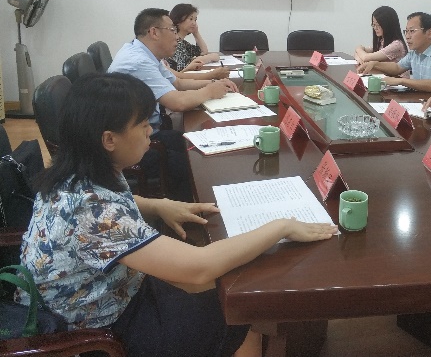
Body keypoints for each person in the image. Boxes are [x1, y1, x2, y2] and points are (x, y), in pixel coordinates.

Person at [17, 73, 337, 357]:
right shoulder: (92, 211)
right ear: (109, 139)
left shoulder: (79, 170)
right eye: (142, 125)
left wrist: (157, 205)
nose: (149, 132)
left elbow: (109, 208)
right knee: (239, 312)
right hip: (96, 330)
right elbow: (199, 267)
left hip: (109, 291)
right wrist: (281, 226)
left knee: (228, 290)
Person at [108, 8, 239, 201]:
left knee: (196, 142)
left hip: (146, 131)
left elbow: (177, 83)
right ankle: (189, 211)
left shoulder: (144, 52)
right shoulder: (138, 61)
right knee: (194, 161)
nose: (177, 37)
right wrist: (210, 91)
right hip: (133, 144)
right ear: (154, 32)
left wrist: (213, 83)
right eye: (172, 30)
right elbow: (177, 102)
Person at [357, 12, 431, 98]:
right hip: (425, 100)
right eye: (406, 31)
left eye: (412, 31)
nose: (407, 36)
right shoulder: (416, 51)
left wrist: (401, 81)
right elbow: (397, 67)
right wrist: (374, 64)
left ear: (429, 33)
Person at [167, 3, 219, 72]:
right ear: (178, 20)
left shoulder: (183, 43)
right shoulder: (173, 41)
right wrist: (209, 57)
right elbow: (183, 67)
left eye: (195, 20)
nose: (194, 23)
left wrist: (196, 33)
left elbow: (203, 52)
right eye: (191, 19)